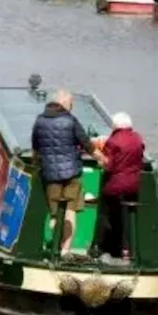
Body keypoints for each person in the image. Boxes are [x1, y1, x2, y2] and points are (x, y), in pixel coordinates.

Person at [31, 89, 97, 257]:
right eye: (71, 103)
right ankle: (65, 250)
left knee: (54, 214)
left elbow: (35, 148)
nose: (72, 106)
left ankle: (54, 247)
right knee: (70, 212)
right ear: (65, 104)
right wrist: (102, 158)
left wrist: (36, 166)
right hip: (71, 174)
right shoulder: (71, 121)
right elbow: (86, 144)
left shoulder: (39, 121)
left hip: (50, 174)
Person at [91, 112, 146, 263]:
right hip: (133, 186)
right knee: (126, 217)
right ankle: (127, 250)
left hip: (115, 187)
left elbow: (109, 166)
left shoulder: (113, 141)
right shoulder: (138, 138)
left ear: (115, 126)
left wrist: (101, 161)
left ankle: (102, 248)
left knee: (106, 215)